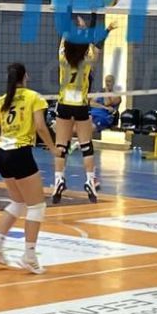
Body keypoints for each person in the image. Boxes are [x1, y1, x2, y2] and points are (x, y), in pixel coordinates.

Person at [0, 63, 58, 274]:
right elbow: (40, 127)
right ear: (25, 76)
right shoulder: (34, 97)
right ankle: (29, 256)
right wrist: (53, 149)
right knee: (37, 206)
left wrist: (0, 148)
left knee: (18, 203)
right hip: (20, 153)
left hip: (2, 155)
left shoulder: (4, 99)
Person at [52, 15, 113, 204]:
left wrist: (69, 12)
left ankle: (58, 181)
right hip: (81, 106)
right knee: (86, 146)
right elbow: (94, 45)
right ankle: (89, 181)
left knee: (61, 145)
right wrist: (95, 28)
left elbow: (65, 33)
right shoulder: (88, 60)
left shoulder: (63, 57)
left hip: (64, 104)